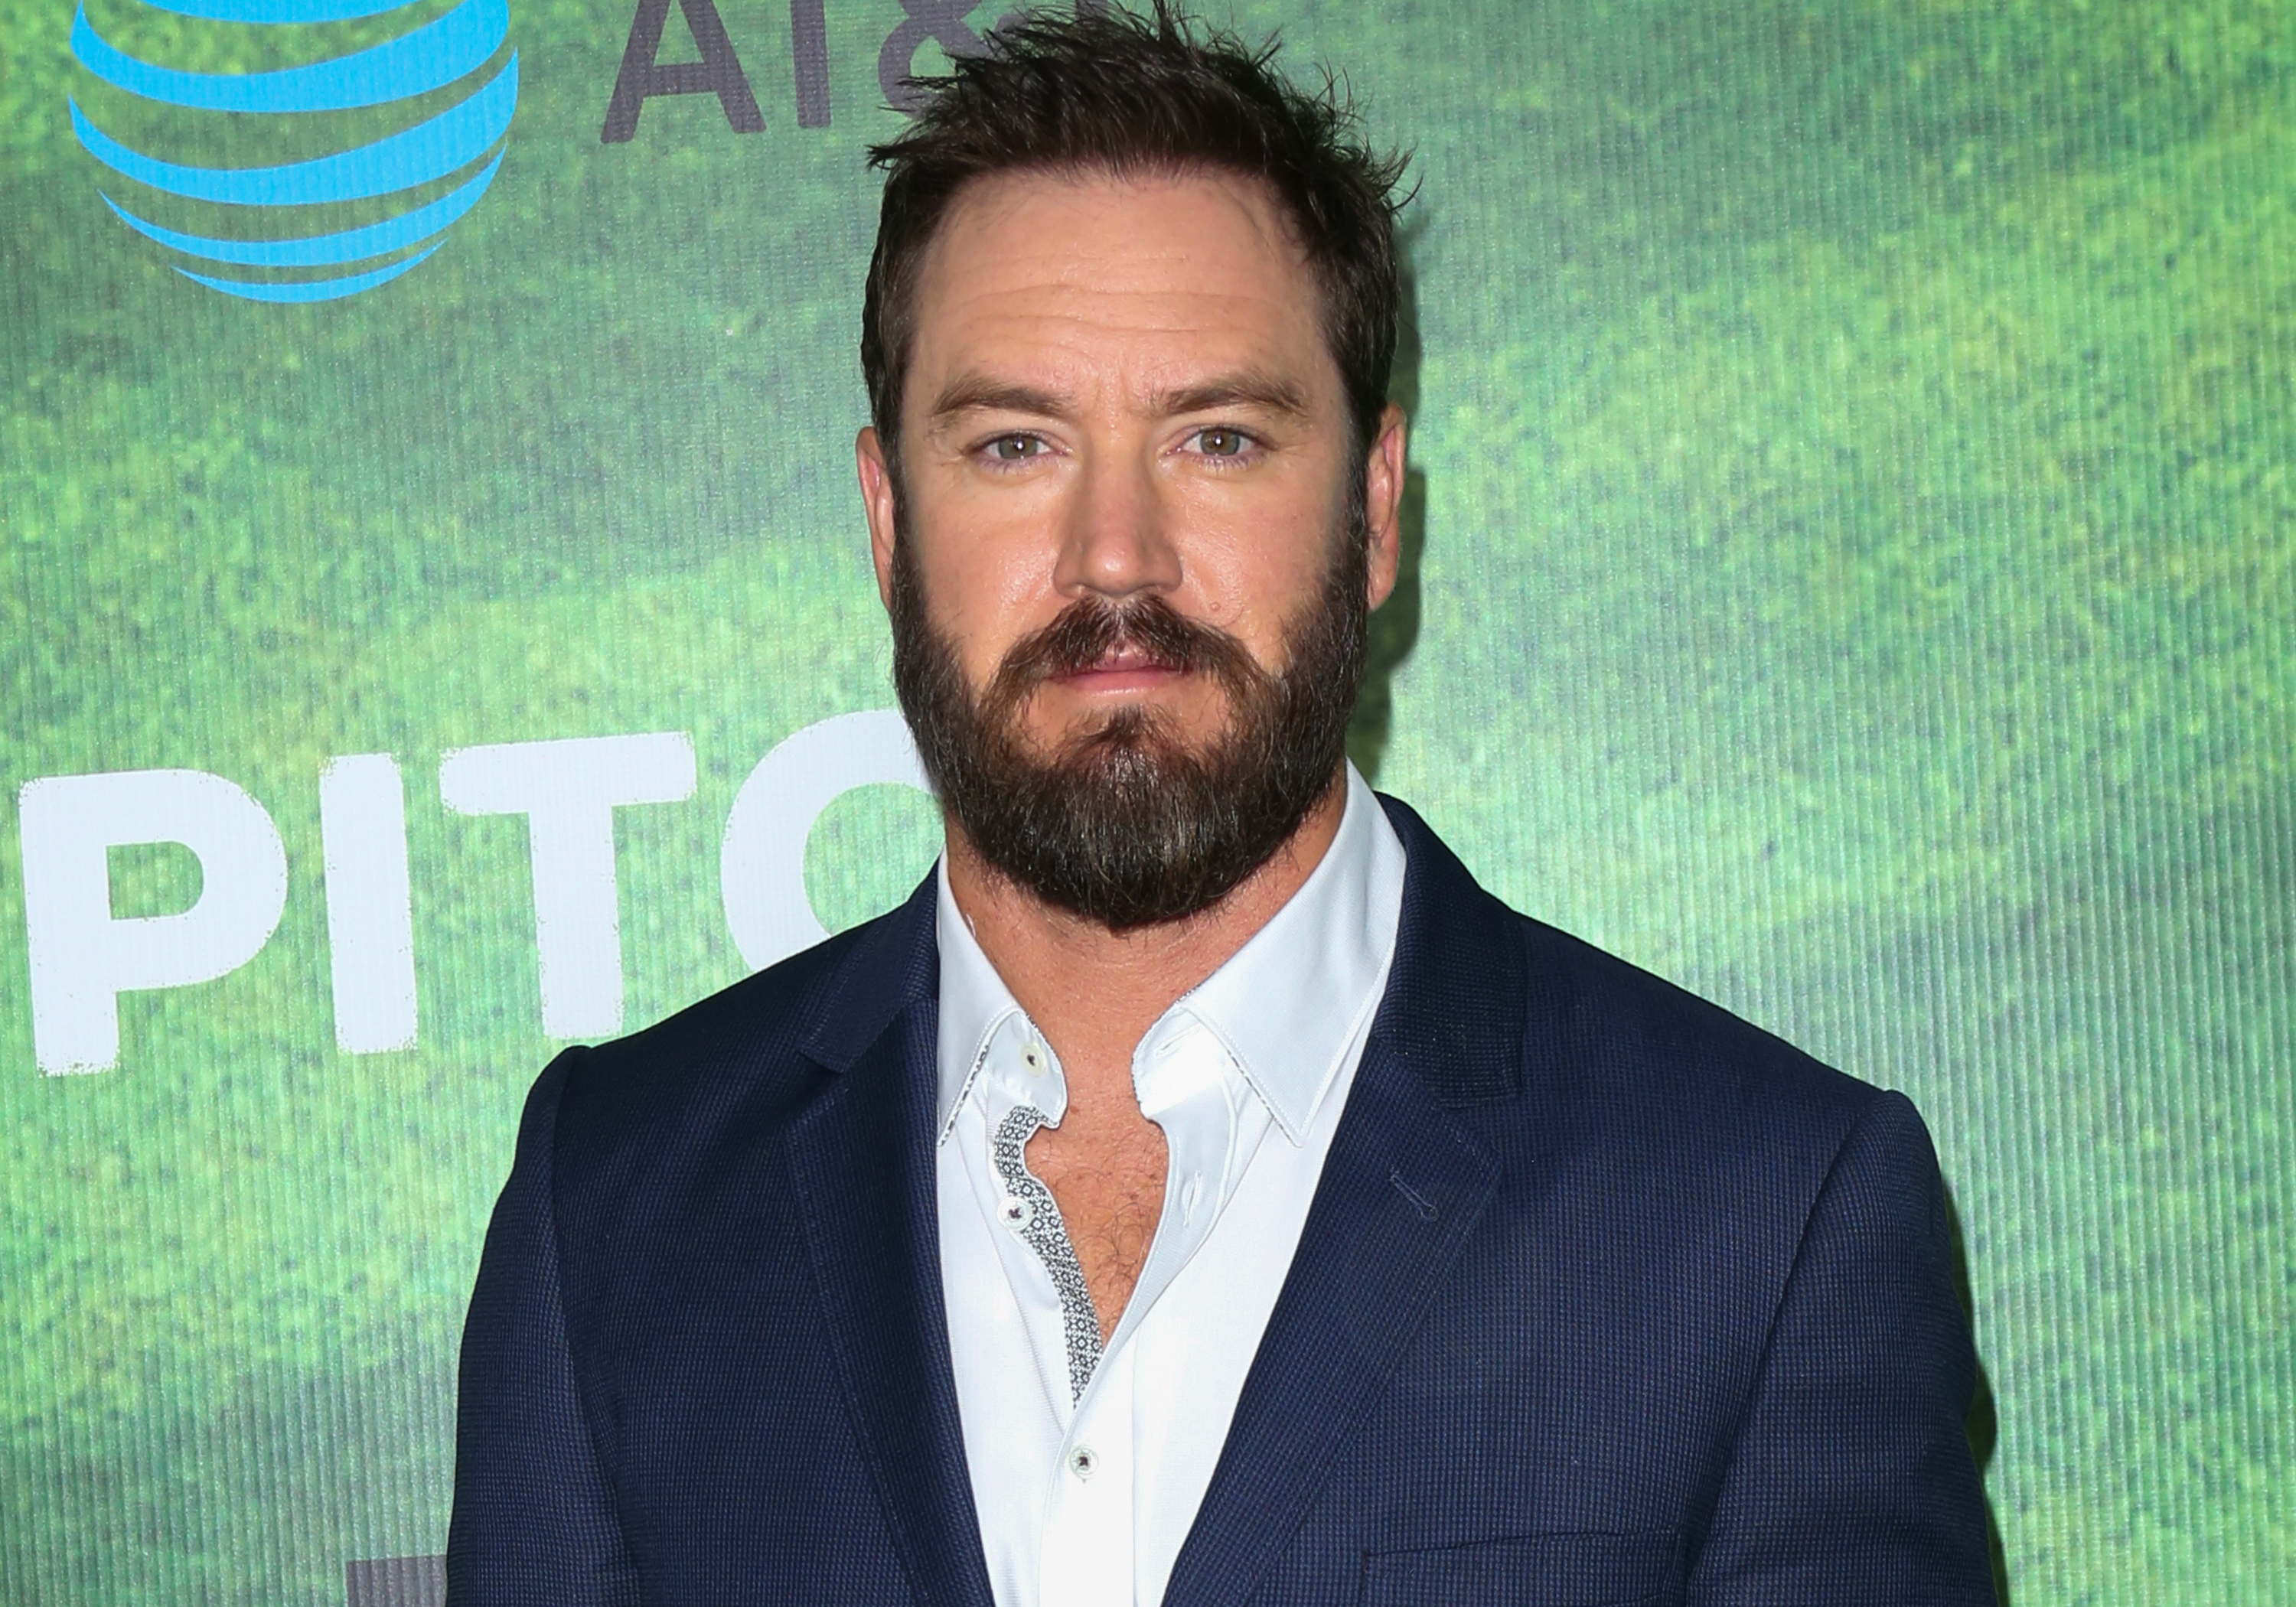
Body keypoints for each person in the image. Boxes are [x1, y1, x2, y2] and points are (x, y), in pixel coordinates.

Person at [445, 7, 1996, 1604]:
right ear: (887, 518)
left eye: (1222, 437)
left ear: (1375, 511)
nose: (1118, 555)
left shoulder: (1762, 1216)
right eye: (1015, 442)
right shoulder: (617, 1205)